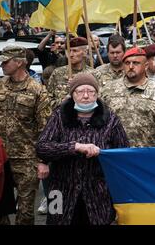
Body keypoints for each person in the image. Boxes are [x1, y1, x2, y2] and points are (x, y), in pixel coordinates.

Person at [36, 74, 129, 225]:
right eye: (80, 91)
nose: (86, 96)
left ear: (97, 94)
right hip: (59, 189)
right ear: (72, 94)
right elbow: (42, 147)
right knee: (56, 221)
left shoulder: (110, 119)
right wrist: (74, 147)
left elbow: (123, 154)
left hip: (97, 192)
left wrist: (102, 153)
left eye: (91, 91)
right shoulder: (59, 115)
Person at [0, 46, 52, 225]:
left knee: (25, 211)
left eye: (6, 61)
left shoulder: (37, 91)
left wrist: (42, 161)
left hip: (27, 159)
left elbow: (44, 129)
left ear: (20, 62)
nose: (2, 65)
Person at [100, 47, 155, 147]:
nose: (131, 66)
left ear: (146, 66)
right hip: (116, 153)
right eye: (127, 63)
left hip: (148, 154)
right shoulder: (108, 90)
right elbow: (99, 122)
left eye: (136, 63)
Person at [47, 37, 95, 110]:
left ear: (85, 52)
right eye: (69, 51)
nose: (71, 54)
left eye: (75, 51)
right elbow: (47, 99)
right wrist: (63, 102)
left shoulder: (93, 74)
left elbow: (98, 100)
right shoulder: (58, 73)